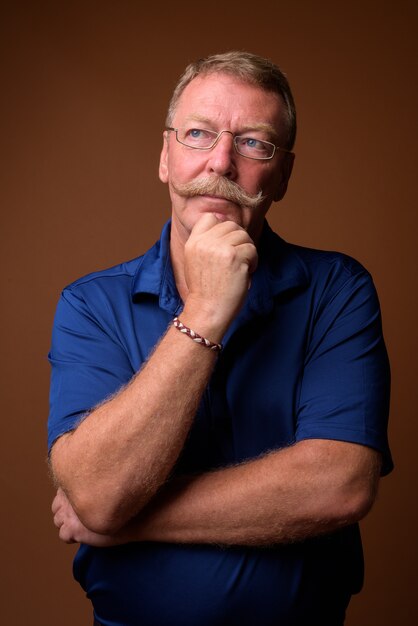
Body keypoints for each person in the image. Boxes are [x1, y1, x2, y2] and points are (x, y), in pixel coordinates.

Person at [49, 51, 392, 626]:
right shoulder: (91, 303)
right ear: (165, 157)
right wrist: (206, 312)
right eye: (198, 134)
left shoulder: (338, 289)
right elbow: (96, 489)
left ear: (283, 174)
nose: (221, 163)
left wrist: (125, 519)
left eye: (254, 143)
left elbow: (339, 486)